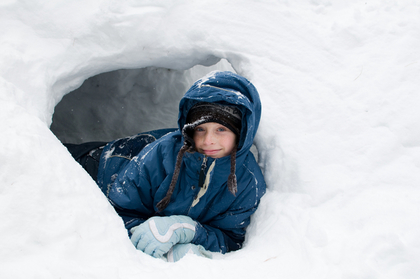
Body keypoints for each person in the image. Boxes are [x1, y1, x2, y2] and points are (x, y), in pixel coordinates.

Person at [65, 71, 266, 262]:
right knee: (43, 155)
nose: (208, 140)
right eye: (200, 129)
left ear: (241, 133)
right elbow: (116, 210)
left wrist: (189, 231)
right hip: (104, 165)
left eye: (221, 129)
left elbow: (231, 239)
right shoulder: (162, 155)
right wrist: (147, 230)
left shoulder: (248, 183)